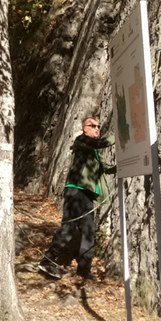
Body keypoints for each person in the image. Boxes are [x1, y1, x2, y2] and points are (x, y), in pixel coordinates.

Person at [37, 116, 116, 281]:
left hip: (87, 193)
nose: (96, 128)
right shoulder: (81, 140)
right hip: (75, 191)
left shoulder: (93, 151)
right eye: (92, 125)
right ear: (84, 128)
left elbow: (105, 168)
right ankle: (48, 261)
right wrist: (121, 134)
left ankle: (84, 269)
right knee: (69, 227)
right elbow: (101, 143)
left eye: (98, 126)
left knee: (88, 231)